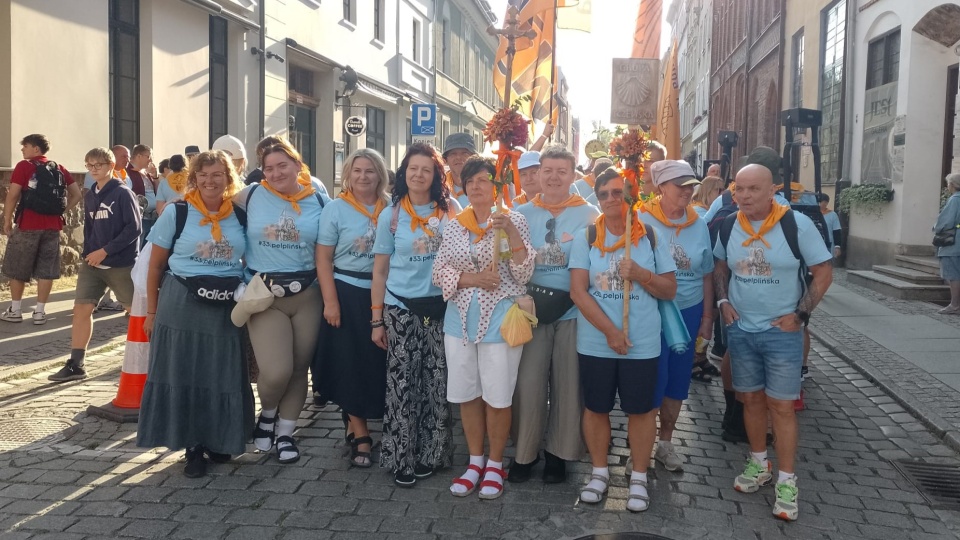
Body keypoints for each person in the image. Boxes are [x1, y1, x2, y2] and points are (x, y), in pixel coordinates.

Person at [713, 163, 832, 522]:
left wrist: (800, 315)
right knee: (750, 400)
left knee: (781, 407)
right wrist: (723, 302)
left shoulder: (796, 225)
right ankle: (758, 463)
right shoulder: (727, 225)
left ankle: (787, 480)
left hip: (781, 333)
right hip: (742, 330)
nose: (745, 196)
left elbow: (824, 273)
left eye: (753, 189)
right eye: (739, 189)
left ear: (771, 191)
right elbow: (719, 267)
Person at [137, 150, 253, 478]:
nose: (209, 181)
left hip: (225, 304)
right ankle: (193, 446)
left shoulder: (240, 215)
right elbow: (156, 265)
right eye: (203, 175)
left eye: (217, 174)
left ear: (229, 179)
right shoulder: (178, 213)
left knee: (222, 372)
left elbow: (250, 260)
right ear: (194, 178)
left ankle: (220, 439)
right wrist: (151, 311)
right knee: (184, 373)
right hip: (180, 302)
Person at [569, 168, 677, 512]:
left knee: (641, 411)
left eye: (619, 193)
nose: (612, 199)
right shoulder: (586, 236)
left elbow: (670, 289)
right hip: (597, 342)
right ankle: (599, 473)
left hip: (642, 343)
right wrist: (611, 332)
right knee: (596, 407)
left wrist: (641, 274)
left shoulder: (652, 238)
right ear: (597, 200)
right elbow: (578, 292)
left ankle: (640, 477)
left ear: (631, 197)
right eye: (605, 194)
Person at [434, 156, 535, 500]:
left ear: (497, 185)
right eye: (470, 180)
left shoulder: (513, 220)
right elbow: (439, 271)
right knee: (466, 393)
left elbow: (523, 274)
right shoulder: (455, 225)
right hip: (459, 321)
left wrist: (508, 232)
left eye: (483, 180)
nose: (476, 186)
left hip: (500, 321)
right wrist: (473, 278)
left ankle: (495, 461)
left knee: (497, 395)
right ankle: (475, 460)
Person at [234, 143, 330, 465]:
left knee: (299, 368)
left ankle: (287, 433)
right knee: (277, 371)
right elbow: (213, 211)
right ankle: (269, 413)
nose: (275, 173)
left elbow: (336, 234)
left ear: (296, 164)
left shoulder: (317, 196)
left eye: (282, 166)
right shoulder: (248, 195)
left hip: (308, 294)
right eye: (269, 168)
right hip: (265, 294)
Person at [371, 143, 460, 487]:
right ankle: (401, 458)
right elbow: (379, 271)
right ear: (403, 174)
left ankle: (433, 455)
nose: (418, 175)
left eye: (426, 169)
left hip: (441, 308)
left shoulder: (451, 210)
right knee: (402, 384)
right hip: (401, 306)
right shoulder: (390, 215)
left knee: (437, 383)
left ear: (436, 175)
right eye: (412, 169)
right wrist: (377, 319)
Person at [510, 145, 599, 484]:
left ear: (573, 175)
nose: (553, 177)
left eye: (562, 171)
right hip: (531, 309)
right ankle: (525, 452)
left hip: (573, 309)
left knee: (567, 382)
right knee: (529, 382)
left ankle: (558, 454)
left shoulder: (590, 215)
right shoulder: (521, 212)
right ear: (538, 173)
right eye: (547, 170)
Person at [313, 148, 389, 468]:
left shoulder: (393, 208)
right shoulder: (335, 209)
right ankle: (361, 435)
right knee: (350, 365)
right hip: (346, 292)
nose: (363, 177)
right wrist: (330, 302)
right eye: (357, 170)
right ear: (348, 174)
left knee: (379, 364)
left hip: (385, 293)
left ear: (380, 175)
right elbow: (323, 259)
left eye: (370, 171)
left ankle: (373, 418)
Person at [640, 160, 714, 473]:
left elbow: (707, 273)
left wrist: (707, 317)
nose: (686, 191)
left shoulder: (700, 222)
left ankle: (666, 443)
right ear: (660, 188)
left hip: (688, 309)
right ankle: (641, 445)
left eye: (690, 185)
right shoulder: (641, 218)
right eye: (679, 185)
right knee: (650, 377)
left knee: (678, 380)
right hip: (651, 310)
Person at [48, 147, 141, 382]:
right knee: (81, 309)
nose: (93, 169)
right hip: (92, 264)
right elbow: (90, 229)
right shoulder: (90, 195)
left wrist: (105, 251)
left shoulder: (122, 193)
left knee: (136, 311)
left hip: (120, 264)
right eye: (89, 165)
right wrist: (89, 252)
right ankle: (76, 363)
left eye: (98, 165)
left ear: (111, 165)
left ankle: (153, 357)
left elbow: (134, 228)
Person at [1, 134, 82, 324]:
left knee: (17, 268)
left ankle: (16, 309)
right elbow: (77, 195)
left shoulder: (24, 166)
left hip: (27, 224)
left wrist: (7, 220)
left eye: (25, 146)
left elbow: (12, 195)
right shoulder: (58, 168)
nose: (22, 150)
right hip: (53, 227)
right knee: (47, 269)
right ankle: (39, 312)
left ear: (36, 149)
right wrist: (61, 211)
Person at [935, 173, 960, 314]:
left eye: (948, 184)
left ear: (952, 185)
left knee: (954, 275)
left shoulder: (955, 199)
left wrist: (936, 227)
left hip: (954, 242)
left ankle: (955, 304)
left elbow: (945, 222)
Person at [130, 144, 158, 244]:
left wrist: (155, 177)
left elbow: (157, 192)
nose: (150, 160)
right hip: (139, 219)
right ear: (139, 156)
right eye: (148, 156)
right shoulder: (128, 172)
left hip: (151, 218)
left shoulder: (146, 173)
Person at [442, 133, 478, 209]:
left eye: (464, 153)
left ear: (474, 157)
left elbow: (494, 208)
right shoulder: (440, 188)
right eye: (453, 154)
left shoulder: (485, 186)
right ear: (446, 160)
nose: (458, 157)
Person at [817, 193, 842, 259]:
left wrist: (837, 246)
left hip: (829, 244)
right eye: (822, 202)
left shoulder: (832, 215)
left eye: (826, 202)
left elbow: (836, 231)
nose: (823, 204)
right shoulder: (812, 214)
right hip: (815, 245)